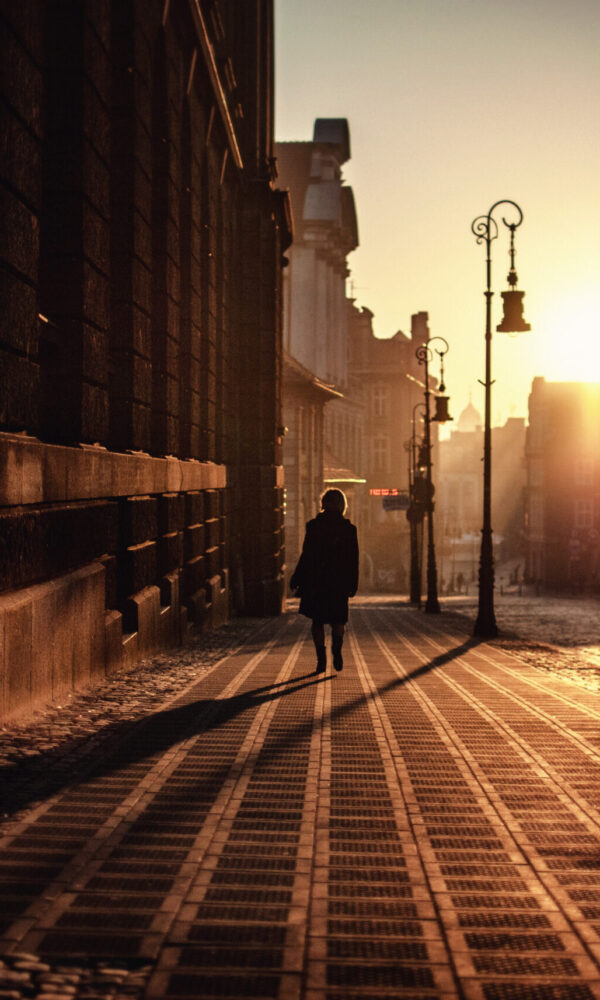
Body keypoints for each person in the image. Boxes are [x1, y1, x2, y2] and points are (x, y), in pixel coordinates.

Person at [290, 488, 359, 674]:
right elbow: (353, 559)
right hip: (339, 582)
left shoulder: (313, 526)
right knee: (338, 620)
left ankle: (321, 659)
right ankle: (337, 650)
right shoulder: (349, 529)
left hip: (317, 581)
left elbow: (306, 555)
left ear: (323, 504)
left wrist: (297, 578)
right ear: (342, 505)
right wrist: (353, 584)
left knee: (317, 621)